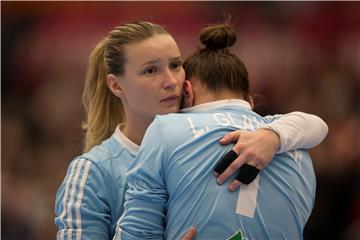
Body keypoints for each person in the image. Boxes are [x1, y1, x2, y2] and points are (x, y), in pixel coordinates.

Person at [55, 21, 327, 240]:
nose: (171, 81)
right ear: (116, 86)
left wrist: (272, 136)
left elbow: (314, 125)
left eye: (175, 65)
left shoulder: (225, 140)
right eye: (151, 71)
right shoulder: (93, 171)